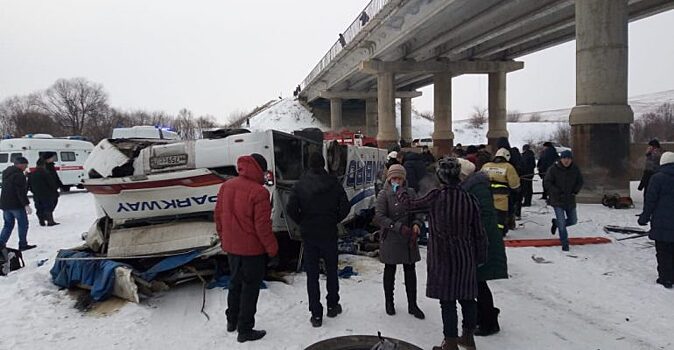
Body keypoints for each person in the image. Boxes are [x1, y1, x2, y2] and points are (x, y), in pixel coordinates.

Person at [397, 157, 488, 350]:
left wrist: (401, 188)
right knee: (467, 299)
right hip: (465, 257)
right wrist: (480, 256)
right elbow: (479, 232)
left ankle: (451, 343)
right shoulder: (469, 199)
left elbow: (409, 205)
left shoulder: (436, 196)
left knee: (448, 302)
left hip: (443, 258)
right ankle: (468, 337)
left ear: (440, 176)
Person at [214, 153, 279, 343]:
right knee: (250, 289)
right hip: (252, 251)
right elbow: (262, 227)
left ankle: (231, 321)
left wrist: (224, 237)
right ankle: (245, 329)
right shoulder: (259, 192)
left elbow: (218, 216)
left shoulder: (226, 186)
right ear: (259, 169)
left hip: (232, 248)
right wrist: (272, 249)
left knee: (234, 284)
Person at [286, 153, 351, 327]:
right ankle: (332, 305)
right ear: (323, 164)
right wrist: (333, 219)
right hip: (329, 232)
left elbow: (290, 208)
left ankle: (316, 314)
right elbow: (346, 206)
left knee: (312, 276)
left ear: (308, 165)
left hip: (309, 235)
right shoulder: (333, 182)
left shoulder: (300, 185)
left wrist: (303, 221)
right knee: (331, 271)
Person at [459, 158, 508, 337]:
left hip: (481, 242)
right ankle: (484, 316)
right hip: (480, 240)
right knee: (477, 282)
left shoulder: (475, 188)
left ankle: (488, 321)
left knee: (478, 282)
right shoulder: (475, 186)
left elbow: (481, 216)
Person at [373, 164, 425, 319]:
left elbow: (418, 211)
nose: (397, 181)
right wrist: (397, 227)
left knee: (410, 271)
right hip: (391, 237)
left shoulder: (410, 193)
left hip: (408, 238)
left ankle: (413, 304)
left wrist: (417, 224)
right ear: (389, 179)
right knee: (390, 270)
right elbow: (380, 216)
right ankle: (389, 302)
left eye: (399, 178)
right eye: (394, 178)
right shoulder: (384, 194)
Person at [638, 152, 674, 289]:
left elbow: (650, 201)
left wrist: (644, 218)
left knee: (662, 251)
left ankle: (665, 278)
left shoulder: (657, 178)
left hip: (661, 222)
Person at [544, 150, 583, 251]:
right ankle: (564, 243)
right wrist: (556, 191)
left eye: (568, 159)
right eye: (564, 158)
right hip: (557, 200)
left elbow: (580, 181)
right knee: (562, 224)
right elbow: (547, 182)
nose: (566, 161)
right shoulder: (553, 169)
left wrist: (575, 191)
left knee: (573, 220)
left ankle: (556, 223)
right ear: (561, 159)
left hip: (570, 199)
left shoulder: (575, 169)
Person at [481, 148, 521, 236]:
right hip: (501, 196)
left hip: (486, 194)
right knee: (500, 215)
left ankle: (486, 231)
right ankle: (499, 233)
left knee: (487, 213)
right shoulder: (508, 167)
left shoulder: (486, 166)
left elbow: (479, 178)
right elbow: (514, 184)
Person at [0, 157, 35, 251]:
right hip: (16, 204)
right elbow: (20, 192)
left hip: (5, 204)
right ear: (20, 164)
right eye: (25, 165)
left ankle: (1, 244)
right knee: (23, 224)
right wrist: (26, 204)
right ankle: (23, 244)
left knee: (8, 225)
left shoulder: (6, 173)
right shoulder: (19, 176)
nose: (26, 167)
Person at [28, 158, 60, 226]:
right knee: (48, 207)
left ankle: (41, 221)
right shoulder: (46, 173)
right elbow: (51, 184)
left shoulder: (31, 174)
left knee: (39, 208)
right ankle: (50, 221)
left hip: (36, 195)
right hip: (47, 194)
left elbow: (29, 185)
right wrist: (54, 190)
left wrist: (33, 191)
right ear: (43, 165)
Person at [42, 152, 63, 224]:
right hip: (49, 188)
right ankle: (49, 219)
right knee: (51, 203)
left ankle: (47, 216)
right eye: (52, 157)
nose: (53, 159)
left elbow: (55, 176)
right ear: (47, 159)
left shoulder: (51, 166)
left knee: (54, 201)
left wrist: (60, 184)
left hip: (53, 187)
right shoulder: (45, 167)